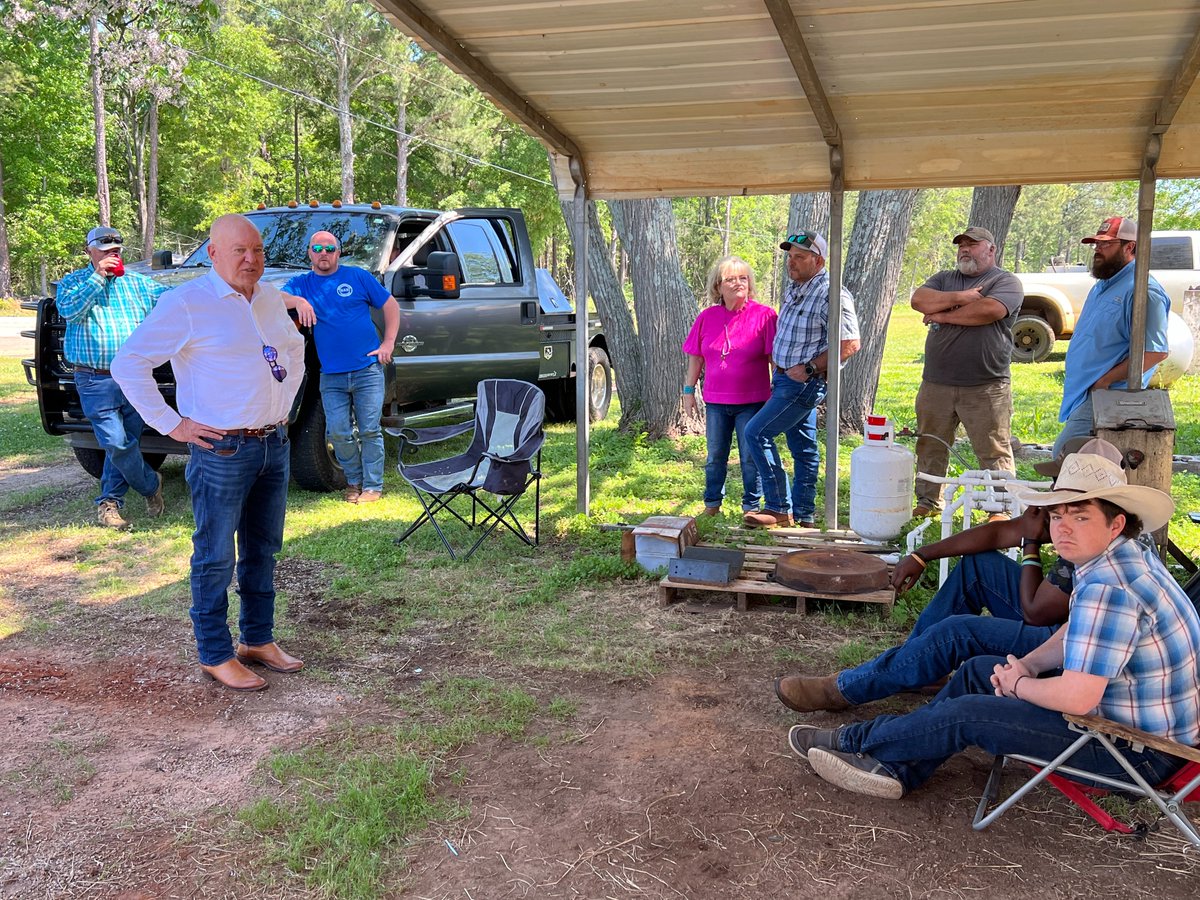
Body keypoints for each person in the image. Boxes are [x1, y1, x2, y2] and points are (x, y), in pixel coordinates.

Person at [787, 446, 1196, 803]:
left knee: (971, 713)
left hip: (1135, 752)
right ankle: (897, 767)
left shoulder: (1110, 587)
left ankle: (855, 741)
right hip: (1126, 727)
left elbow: (1077, 699)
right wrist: (1030, 666)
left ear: (1116, 522)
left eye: (1081, 516)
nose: (1064, 528)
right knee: (978, 671)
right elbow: (1075, 633)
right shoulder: (1115, 557)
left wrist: (1019, 685)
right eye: (1058, 516)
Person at [112, 214, 306, 693]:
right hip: (221, 449)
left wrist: (282, 406)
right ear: (213, 253)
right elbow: (128, 362)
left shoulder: (267, 296)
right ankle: (215, 653)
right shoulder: (187, 303)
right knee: (216, 555)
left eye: (257, 250)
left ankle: (257, 639)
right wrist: (173, 425)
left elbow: (292, 349)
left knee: (263, 550)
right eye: (239, 250)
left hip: (272, 442)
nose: (251, 259)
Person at [742, 231, 860, 528]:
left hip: (802, 383)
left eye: (800, 257)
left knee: (756, 433)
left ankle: (779, 507)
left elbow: (849, 344)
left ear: (818, 260)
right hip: (784, 379)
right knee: (804, 448)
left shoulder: (832, 293)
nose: (791, 263)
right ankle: (804, 514)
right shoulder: (796, 287)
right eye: (790, 256)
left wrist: (808, 368)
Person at [55, 226, 169, 530]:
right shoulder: (74, 283)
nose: (112, 255)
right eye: (105, 250)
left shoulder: (140, 284)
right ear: (90, 252)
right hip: (94, 379)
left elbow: (176, 303)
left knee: (125, 443)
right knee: (117, 443)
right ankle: (149, 484)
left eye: (116, 250)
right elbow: (70, 311)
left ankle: (110, 503)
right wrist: (98, 278)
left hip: (135, 377)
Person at [910, 226, 1023, 518]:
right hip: (936, 382)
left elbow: (988, 311)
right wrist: (961, 296)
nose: (965, 249)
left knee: (993, 449)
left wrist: (940, 315)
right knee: (930, 443)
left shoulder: (1005, 280)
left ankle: (1000, 507)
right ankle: (928, 502)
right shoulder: (945, 279)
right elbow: (919, 300)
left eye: (972, 244)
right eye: (961, 244)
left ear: (991, 249)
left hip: (985, 384)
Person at [284, 231, 399, 504]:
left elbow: (390, 305)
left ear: (338, 252)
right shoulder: (302, 283)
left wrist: (389, 344)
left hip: (367, 370)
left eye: (330, 248)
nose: (324, 253)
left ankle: (372, 486)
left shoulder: (357, 277)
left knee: (370, 429)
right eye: (318, 248)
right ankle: (353, 481)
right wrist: (299, 301)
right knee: (338, 431)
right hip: (331, 375)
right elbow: (273, 298)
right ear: (310, 253)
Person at [1047, 216, 1169, 462]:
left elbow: (1155, 352)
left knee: (1064, 459)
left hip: (1109, 396)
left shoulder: (1144, 291)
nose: (1097, 251)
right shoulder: (1104, 284)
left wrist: (1104, 381)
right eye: (1096, 244)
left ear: (1130, 247)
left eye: (1106, 244)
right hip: (1086, 393)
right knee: (1082, 466)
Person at [681, 255, 777, 516]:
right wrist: (688, 391)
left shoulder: (765, 316)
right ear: (718, 286)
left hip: (754, 402)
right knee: (715, 457)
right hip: (716, 402)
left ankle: (751, 506)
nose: (738, 283)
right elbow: (695, 357)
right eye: (731, 279)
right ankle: (712, 505)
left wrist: (778, 396)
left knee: (750, 457)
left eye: (743, 278)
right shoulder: (707, 317)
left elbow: (774, 360)